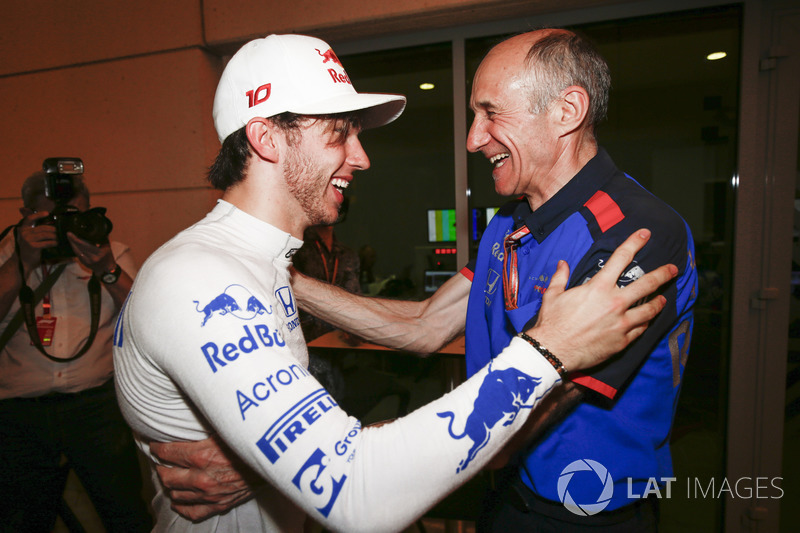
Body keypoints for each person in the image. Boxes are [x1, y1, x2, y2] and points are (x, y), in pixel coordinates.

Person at [111, 33, 677, 532]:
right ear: (266, 138)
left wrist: (266, 464)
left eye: (489, 113)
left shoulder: (635, 232)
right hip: (502, 493)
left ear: (566, 110)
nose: (473, 139)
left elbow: (512, 396)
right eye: (339, 133)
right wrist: (287, 461)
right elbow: (429, 330)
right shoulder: (205, 278)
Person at [0, 171, 152, 532]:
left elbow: (146, 322)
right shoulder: (7, 255)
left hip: (96, 409)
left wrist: (106, 270)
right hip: (20, 416)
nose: (67, 228)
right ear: (26, 215)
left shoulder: (111, 253)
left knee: (125, 515)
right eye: (55, 219)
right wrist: (22, 261)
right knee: (20, 521)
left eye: (77, 215)